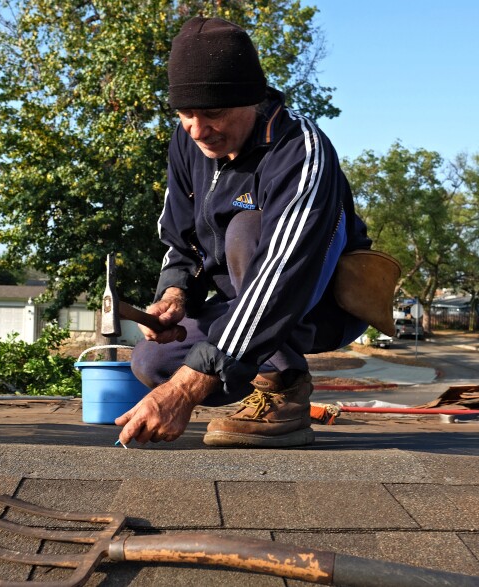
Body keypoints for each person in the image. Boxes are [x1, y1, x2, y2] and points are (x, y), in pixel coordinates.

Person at [116, 16, 399, 448]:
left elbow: (286, 272)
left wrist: (186, 389)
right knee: (154, 360)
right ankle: (252, 364)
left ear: (251, 100)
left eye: (213, 113)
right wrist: (175, 294)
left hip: (316, 304)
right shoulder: (186, 141)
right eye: (185, 114)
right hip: (239, 305)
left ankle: (281, 387)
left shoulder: (300, 149)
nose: (198, 129)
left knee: (244, 228)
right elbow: (180, 239)